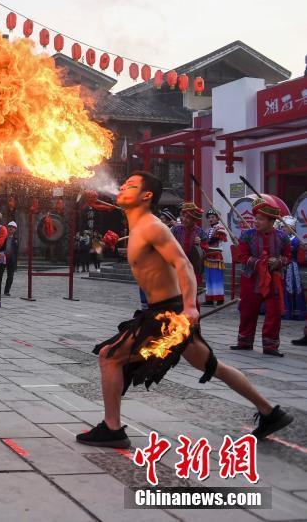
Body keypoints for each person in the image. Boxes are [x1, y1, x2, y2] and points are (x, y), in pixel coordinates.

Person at [79, 172, 293, 447]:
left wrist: (191, 306)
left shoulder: (152, 226)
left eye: (131, 185)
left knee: (110, 357)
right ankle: (270, 412)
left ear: (146, 196)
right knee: (211, 364)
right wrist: (115, 244)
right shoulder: (139, 227)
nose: (122, 187)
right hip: (164, 311)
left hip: (168, 315)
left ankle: (112, 429)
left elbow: (185, 265)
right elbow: (147, 257)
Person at [231, 198, 292, 356]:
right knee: (248, 311)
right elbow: (242, 256)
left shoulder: (282, 237)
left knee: (273, 313)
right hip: (251, 279)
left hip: (274, 280)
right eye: (256, 218)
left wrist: (278, 261)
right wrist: (259, 263)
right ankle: (244, 342)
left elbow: (288, 257)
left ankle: (270, 346)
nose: (256, 221)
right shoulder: (247, 236)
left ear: (271, 221)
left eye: (260, 219)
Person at [171, 202, 206, 288]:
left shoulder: (200, 232)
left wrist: (200, 244)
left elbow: (206, 248)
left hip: (192, 266)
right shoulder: (176, 229)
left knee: (191, 290)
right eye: (183, 216)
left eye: (188, 218)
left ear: (194, 220)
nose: (184, 219)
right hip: (178, 264)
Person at [280, 216, 305, 320]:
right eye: (282, 227)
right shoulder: (281, 237)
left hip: (292, 267)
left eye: (285, 227)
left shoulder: (296, 239)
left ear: (292, 228)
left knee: (292, 288)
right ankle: (283, 311)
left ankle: (294, 312)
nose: (283, 229)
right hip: (282, 265)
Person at [202, 209, 228, 307]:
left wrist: (203, 243)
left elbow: (214, 240)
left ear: (218, 218)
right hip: (208, 256)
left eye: (213, 217)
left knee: (216, 279)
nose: (210, 219)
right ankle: (209, 299)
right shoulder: (207, 230)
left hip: (216, 256)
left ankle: (219, 299)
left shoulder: (220, 228)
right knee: (208, 279)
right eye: (209, 217)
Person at [3, 221, 20, 296]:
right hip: (2, 258)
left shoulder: (16, 239)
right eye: (9, 227)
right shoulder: (3, 237)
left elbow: (16, 252)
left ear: (15, 229)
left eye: (13, 228)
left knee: (10, 276)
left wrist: (15, 263)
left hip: (11, 260)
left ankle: (7, 291)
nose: (11, 229)